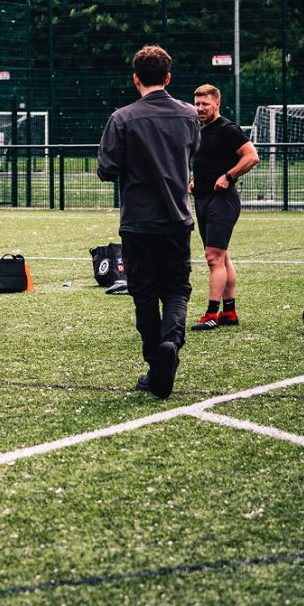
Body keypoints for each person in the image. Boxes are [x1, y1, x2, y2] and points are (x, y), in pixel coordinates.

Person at [97, 46, 200, 399]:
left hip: (139, 222)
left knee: (143, 294)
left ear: (136, 78)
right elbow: (191, 152)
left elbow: (106, 170)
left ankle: (157, 362)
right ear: (168, 77)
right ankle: (170, 343)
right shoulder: (189, 115)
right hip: (177, 218)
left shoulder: (122, 118)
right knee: (176, 288)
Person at [190, 84, 260, 331]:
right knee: (222, 256)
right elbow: (209, 161)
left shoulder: (228, 129)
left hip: (223, 200)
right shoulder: (200, 129)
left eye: (205, 104)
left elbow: (251, 156)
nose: (200, 108)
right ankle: (229, 312)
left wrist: (228, 176)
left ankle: (211, 314)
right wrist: (197, 181)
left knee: (213, 258)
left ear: (216, 103)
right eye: (197, 104)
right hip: (203, 198)